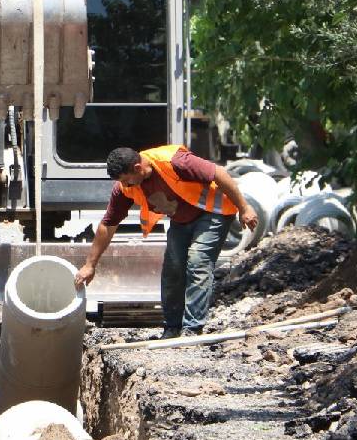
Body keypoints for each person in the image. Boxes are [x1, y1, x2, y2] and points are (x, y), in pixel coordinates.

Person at [74, 145, 259, 338]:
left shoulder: (174, 161)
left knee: (198, 261)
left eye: (127, 180)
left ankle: (192, 329)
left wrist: (244, 208)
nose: (125, 186)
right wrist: (90, 265)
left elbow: (218, 173)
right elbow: (108, 224)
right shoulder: (124, 189)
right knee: (173, 269)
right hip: (182, 219)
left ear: (137, 168)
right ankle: (172, 327)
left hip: (214, 212)